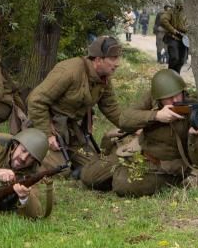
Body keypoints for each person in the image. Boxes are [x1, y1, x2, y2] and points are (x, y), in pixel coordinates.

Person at [26, 35, 151, 190]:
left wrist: (134, 126)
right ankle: (23, 152)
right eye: (112, 58)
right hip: (46, 129)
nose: (117, 64)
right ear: (98, 59)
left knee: (93, 167)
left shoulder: (103, 78)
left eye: (118, 58)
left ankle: (72, 168)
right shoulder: (69, 71)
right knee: (60, 170)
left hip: (72, 134)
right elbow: (35, 100)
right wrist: (47, 134)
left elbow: (112, 109)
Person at [108, 70, 198, 197]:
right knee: (91, 175)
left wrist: (194, 137)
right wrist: (156, 115)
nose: (175, 100)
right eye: (169, 97)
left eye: (178, 95)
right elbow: (125, 119)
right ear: (159, 98)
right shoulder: (152, 100)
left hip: (170, 170)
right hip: (143, 157)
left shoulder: (193, 110)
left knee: (122, 184)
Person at [158, 0, 189, 73]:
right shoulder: (171, 12)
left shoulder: (188, 13)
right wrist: (173, 30)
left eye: (181, 5)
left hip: (184, 39)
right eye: (178, 5)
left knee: (181, 61)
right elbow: (163, 20)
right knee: (174, 58)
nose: (180, 7)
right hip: (173, 37)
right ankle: (170, 74)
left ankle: (176, 76)